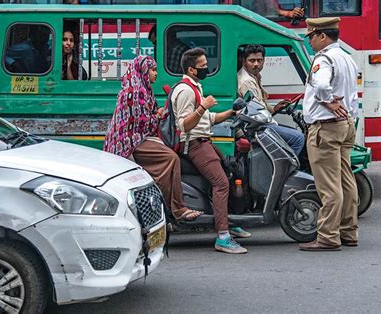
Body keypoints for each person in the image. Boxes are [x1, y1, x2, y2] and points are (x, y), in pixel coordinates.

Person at [103, 55, 202, 222]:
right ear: (143, 71)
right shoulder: (135, 91)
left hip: (137, 138)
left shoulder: (143, 88)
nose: (156, 73)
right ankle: (177, 209)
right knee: (170, 158)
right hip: (129, 142)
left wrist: (156, 115)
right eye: (153, 70)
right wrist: (157, 116)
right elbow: (139, 122)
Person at [171, 48, 249, 254]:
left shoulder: (195, 86)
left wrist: (233, 112)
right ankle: (223, 237)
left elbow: (209, 119)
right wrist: (202, 107)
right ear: (191, 69)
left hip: (205, 141)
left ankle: (230, 222)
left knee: (231, 171)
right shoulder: (185, 90)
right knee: (221, 183)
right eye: (203, 66)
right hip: (195, 144)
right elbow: (184, 125)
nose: (206, 69)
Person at [298, 17, 359, 251]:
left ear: (322, 36)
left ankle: (327, 236)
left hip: (326, 127)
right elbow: (352, 96)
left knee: (329, 185)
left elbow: (322, 86)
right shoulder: (346, 57)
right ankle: (348, 231)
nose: (310, 41)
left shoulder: (323, 59)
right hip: (345, 125)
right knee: (346, 180)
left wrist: (327, 101)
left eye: (311, 36)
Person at [237, 44, 305, 156]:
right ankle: (285, 169)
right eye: (252, 61)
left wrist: (275, 108)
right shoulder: (246, 81)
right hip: (256, 128)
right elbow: (258, 113)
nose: (256, 64)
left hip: (258, 124)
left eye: (259, 60)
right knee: (298, 138)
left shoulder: (254, 77)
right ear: (244, 61)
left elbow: (260, 105)